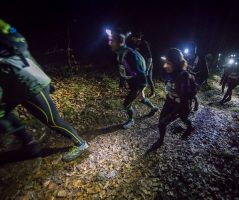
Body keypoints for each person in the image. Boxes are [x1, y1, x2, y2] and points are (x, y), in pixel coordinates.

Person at [0, 19, 88, 162]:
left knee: (53, 121)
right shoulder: (10, 46)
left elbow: (23, 56)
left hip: (31, 86)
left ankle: (80, 143)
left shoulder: (9, 44)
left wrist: (44, 79)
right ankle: (29, 143)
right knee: (3, 114)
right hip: (17, 90)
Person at [106, 29, 158, 129]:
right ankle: (154, 108)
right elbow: (122, 69)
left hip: (138, 83)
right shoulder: (120, 53)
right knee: (142, 99)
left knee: (126, 104)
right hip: (133, 81)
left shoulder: (129, 54)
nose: (109, 43)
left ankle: (131, 120)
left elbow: (141, 73)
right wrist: (121, 83)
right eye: (109, 40)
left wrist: (141, 87)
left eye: (112, 41)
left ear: (120, 42)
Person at [150, 48, 196, 150]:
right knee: (161, 122)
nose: (165, 65)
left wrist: (172, 114)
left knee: (184, 118)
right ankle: (161, 140)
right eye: (165, 62)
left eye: (168, 63)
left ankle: (190, 127)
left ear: (176, 63)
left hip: (182, 105)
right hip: (170, 101)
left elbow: (184, 98)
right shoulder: (169, 72)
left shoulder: (183, 77)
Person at [128, 32, 155, 97]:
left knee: (148, 77)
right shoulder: (134, 44)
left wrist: (147, 70)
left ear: (138, 38)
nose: (132, 39)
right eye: (132, 38)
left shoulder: (144, 44)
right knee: (140, 77)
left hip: (148, 63)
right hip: (141, 63)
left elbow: (150, 58)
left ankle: (153, 92)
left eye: (134, 38)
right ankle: (139, 91)